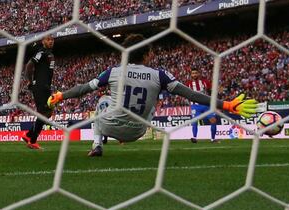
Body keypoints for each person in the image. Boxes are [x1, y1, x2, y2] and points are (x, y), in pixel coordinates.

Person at [48, 34, 257, 157]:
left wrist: (61, 95)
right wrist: (227, 105)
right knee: (148, 103)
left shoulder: (112, 71)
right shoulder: (160, 75)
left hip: (110, 126)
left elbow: (84, 88)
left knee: (102, 100)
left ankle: (97, 145)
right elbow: (192, 95)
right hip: (138, 132)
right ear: (146, 54)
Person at [21, 35, 55, 149]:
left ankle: (28, 135)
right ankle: (33, 141)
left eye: (52, 39)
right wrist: (31, 82)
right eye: (48, 39)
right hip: (40, 86)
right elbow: (29, 65)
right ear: (43, 41)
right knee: (43, 113)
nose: (50, 41)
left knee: (48, 113)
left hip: (45, 86)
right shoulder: (42, 52)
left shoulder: (49, 54)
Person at [186, 68, 218, 143]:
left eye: (196, 73)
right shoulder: (188, 84)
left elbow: (210, 92)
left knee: (213, 121)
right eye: (193, 73)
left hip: (206, 105)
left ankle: (213, 139)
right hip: (195, 106)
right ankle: (194, 137)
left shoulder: (205, 82)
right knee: (194, 121)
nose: (194, 75)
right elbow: (186, 94)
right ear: (191, 75)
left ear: (198, 74)